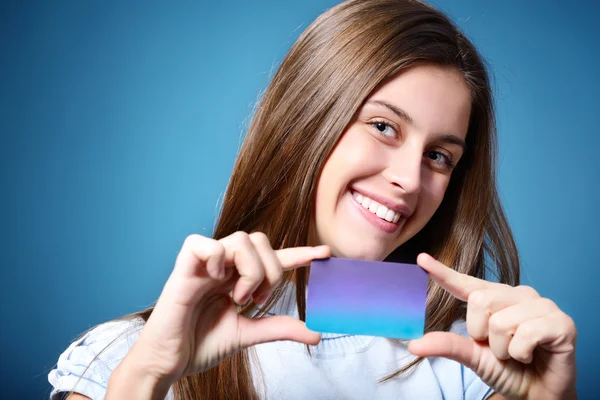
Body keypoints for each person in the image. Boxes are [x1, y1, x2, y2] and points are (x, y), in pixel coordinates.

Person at [48, 0, 578, 399]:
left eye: (439, 156)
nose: (410, 180)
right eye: (382, 126)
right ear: (304, 122)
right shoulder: (126, 357)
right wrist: (148, 371)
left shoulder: (470, 366)